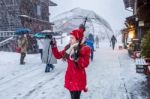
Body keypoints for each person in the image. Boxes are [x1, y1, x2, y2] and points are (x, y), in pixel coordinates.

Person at [51, 29, 91, 99]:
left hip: (78, 79)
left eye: (72, 38)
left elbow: (85, 64)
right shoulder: (68, 48)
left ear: (78, 39)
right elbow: (58, 55)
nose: (70, 40)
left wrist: (77, 58)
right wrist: (54, 46)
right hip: (70, 78)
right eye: (70, 38)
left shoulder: (84, 49)